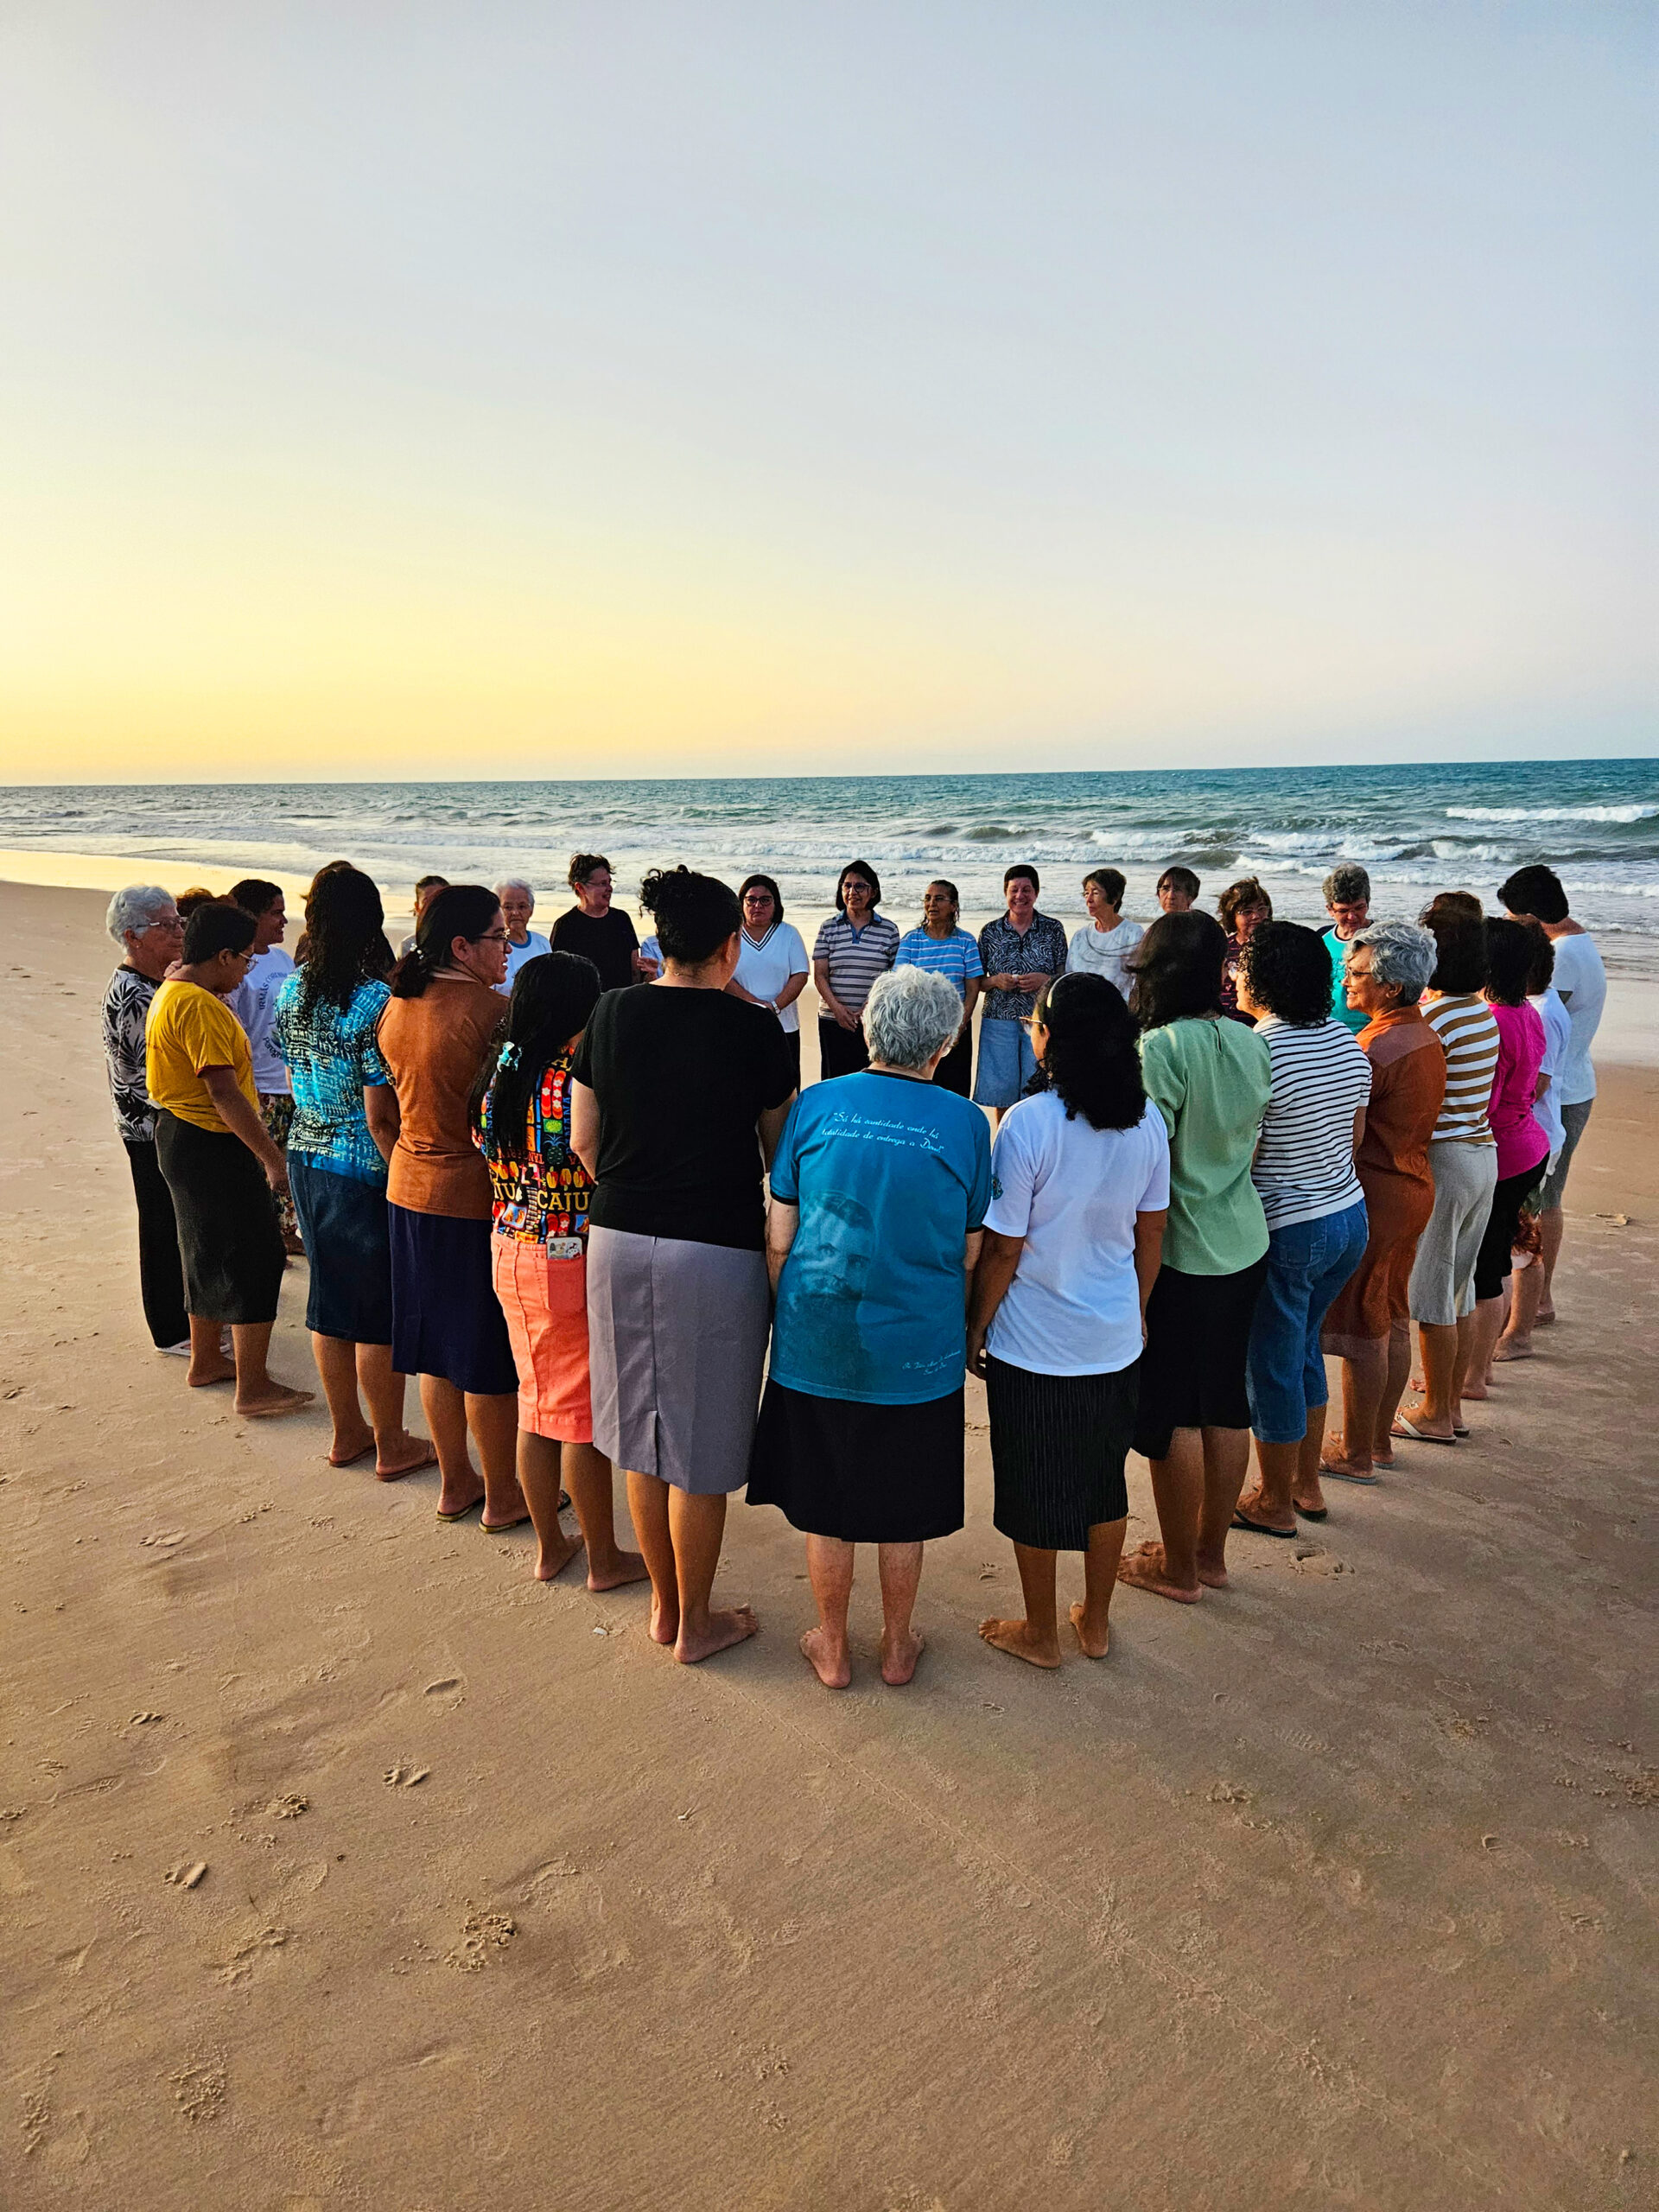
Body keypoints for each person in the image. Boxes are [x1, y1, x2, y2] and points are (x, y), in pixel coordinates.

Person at [571, 867, 796, 1664]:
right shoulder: (755, 1030)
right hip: (715, 1247)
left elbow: (584, 1139)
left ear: (660, 942)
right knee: (699, 1448)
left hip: (618, 1237)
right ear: (731, 946)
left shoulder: (610, 1011)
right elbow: (780, 1158)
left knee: (641, 1432)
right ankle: (694, 1622)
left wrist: (638, 1192)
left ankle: (667, 1609)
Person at [750, 967, 991, 1688]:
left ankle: (831, 1644)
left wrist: (786, 1318)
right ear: (944, 1046)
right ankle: (895, 1646)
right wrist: (963, 1326)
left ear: (870, 1031)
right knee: (903, 1503)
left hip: (817, 1336)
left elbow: (780, 1238)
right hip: (918, 1344)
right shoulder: (966, 1122)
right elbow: (971, 1250)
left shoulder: (816, 1104)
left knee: (828, 1503)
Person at [969, 974, 1168, 1665]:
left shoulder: (1029, 1123)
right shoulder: (1147, 1120)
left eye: (1035, 1024)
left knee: (1033, 1488)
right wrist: (1137, 1311)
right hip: (1111, 1337)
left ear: (1049, 1037)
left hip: (1034, 1341)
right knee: (1103, 1483)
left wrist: (977, 1323)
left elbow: (1004, 1248)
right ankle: (1096, 1621)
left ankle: (1040, 1631)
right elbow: (1152, 1233)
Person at [474, 951, 647, 1593]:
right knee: (579, 1419)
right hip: (565, 1256)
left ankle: (551, 1545)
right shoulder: (572, 1080)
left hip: (509, 1245)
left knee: (536, 1404)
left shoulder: (501, 1074)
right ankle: (603, 1558)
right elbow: (602, 1154)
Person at [1116, 912, 1272, 1604]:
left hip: (1180, 1251)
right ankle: (1209, 1554)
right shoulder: (1250, 1040)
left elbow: (1145, 1162)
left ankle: (1179, 1568)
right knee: (1226, 1401)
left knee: (1173, 1413)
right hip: (1244, 1239)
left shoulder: (1159, 1048)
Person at [274, 867, 432, 1479]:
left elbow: (291, 1071)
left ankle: (348, 1433)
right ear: (371, 924)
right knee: (375, 1315)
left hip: (305, 1152)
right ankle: (391, 1443)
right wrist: (405, 1179)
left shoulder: (292, 989)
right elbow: (379, 1114)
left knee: (329, 1302)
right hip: (362, 1166)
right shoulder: (373, 1001)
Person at [377, 886, 526, 1529]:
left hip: (409, 1185)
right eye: (499, 937)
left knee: (435, 1350)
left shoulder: (397, 1005)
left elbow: (387, 1107)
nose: (508, 947)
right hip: (469, 1194)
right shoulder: (491, 1012)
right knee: (485, 1355)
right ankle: (502, 1494)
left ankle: (456, 1481)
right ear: (462, 946)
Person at [1227, 925, 1372, 1536]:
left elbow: (1247, 1153)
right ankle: (1305, 1485)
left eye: (1242, 967)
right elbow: (1354, 1137)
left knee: (1272, 1367)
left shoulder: (1261, 1048)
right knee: (1304, 1349)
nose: (1234, 975)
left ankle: (1275, 1501)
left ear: (1262, 980)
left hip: (1290, 1226)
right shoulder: (1345, 1039)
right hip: (1347, 1216)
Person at [145, 900, 313, 1417]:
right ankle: (254, 1386)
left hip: (179, 1135)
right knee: (255, 1256)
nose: (245, 971)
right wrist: (272, 1158)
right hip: (210, 1140)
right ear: (222, 956)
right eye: (243, 959)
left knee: (204, 1248)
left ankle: (206, 1361)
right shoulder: (199, 1005)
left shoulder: (172, 990)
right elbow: (223, 1092)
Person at [1317, 922, 1445, 1482]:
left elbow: (1346, 1132)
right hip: (1412, 1184)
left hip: (1379, 1191)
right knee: (1391, 1316)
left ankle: (1358, 1451)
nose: (1345, 980)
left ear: (1391, 986)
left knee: (1365, 1326)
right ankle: (1377, 1441)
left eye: (1356, 972)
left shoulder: (1374, 1048)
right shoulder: (1424, 1034)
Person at [1394, 912, 1497, 1445]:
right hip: (1481, 1153)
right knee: (1460, 1288)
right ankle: (1449, 1404)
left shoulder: (1435, 1017)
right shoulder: (1480, 1011)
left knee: (1434, 1291)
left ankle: (1435, 1411)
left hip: (1446, 1158)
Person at [1497, 864, 1605, 1325]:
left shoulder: (1557, 956)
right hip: (1574, 1083)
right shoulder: (1578, 941)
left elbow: (1537, 1027)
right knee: (1547, 1199)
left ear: (1532, 918)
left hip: (1560, 1093)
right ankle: (1537, 1300)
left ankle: (1536, 1303)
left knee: (1542, 1203)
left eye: (1513, 918)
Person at [1462, 918, 1550, 1396]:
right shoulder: (1526, 1010)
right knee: (1494, 1262)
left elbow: (1486, 1102)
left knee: (1484, 1270)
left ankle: (1474, 1377)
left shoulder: (1493, 1019)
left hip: (1505, 1153)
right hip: (1528, 1144)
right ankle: (1479, 1370)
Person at [102, 886, 189, 1354]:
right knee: (161, 1226)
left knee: (175, 1223)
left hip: (162, 1124)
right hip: (148, 1128)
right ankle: (171, 1330)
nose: (178, 932)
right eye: (166, 925)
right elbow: (150, 1072)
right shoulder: (134, 992)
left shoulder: (157, 982)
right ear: (133, 936)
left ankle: (186, 1321)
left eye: (179, 922)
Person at [1497, 925, 1572, 1360]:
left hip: (1532, 1137)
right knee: (1520, 1239)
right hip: (1535, 1135)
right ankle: (1513, 1324)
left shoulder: (1540, 1012)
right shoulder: (1540, 1006)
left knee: (1523, 1243)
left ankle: (1519, 1333)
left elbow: (1538, 1083)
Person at [227, 878, 301, 1251]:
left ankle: (286, 1235)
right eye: (276, 913)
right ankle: (261, 1240)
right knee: (261, 1165)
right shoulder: (238, 964)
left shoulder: (283, 960)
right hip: (258, 1084)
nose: (284, 920)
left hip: (290, 1080)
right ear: (252, 916)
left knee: (289, 1163)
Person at [974, 865, 1069, 1117]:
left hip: (1039, 1021)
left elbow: (1065, 979)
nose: (1020, 896)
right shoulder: (990, 931)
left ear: (1036, 893)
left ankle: (1035, 1139)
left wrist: (1045, 980)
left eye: (1026, 890)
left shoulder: (1053, 929)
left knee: (1038, 1090)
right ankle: (1005, 1136)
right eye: (1014, 890)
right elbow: (977, 982)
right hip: (998, 1018)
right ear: (1005, 893)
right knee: (1001, 1092)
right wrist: (996, 981)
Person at [893, 879, 983, 1096]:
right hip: (919, 1029)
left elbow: (973, 989)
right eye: (928, 898)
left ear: (953, 906)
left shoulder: (966, 941)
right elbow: (900, 983)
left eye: (939, 899)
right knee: (919, 1092)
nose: (931, 904)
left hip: (956, 1028)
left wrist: (959, 1027)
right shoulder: (911, 940)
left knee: (955, 1091)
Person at [811, 860, 901, 1079]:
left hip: (873, 1020)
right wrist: (838, 1009)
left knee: (870, 1080)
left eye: (860, 886)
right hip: (832, 1018)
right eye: (847, 886)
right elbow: (820, 975)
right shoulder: (828, 927)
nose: (853, 892)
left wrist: (867, 1008)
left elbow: (892, 977)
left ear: (874, 892)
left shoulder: (889, 930)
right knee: (835, 1081)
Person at [726, 874, 810, 1092]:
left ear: (776, 904)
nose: (758, 906)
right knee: (743, 1089)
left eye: (765, 900)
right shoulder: (731, 936)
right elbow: (723, 977)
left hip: (784, 1026)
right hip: (739, 1025)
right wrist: (756, 1006)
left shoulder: (788, 933)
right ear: (741, 903)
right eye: (751, 900)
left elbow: (800, 975)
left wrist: (773, 1007)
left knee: (785, 1090)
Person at [550, 855, 649, 989]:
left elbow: (635, 970)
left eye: (610, 882)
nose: (609, 888)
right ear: (580, 888)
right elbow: (556, 974)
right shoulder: (566, 925)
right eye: (602, 884)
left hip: (620, 999)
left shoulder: (622, 919)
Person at [1067, 868, 1145, 1001]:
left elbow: (1138, 981)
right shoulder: (1080, 936)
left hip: (1118, 1009)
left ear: (1114, 898)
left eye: (1095, 893)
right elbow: (1070, 976)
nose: (1089, 899)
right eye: (1086, 893)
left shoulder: (1132, 934)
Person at [1321, 864, 1372, 1034]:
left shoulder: (1382, 939)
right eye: (1343, 911)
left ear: (1368, 902)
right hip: (1326, 1031)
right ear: (1330, 909)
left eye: (1359, 908)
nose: (1352, 917)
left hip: (1368, 1032)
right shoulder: (1321, 939)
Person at [1217, 877, 1273, 1021]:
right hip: (1227, 1024)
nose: (1256, 916)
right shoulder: (1222, 948)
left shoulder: (1278, 946)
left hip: (1266, 1024)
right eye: (1247, 911)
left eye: (1262, 909)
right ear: (1232, 917)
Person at [495, 878, 550, 989]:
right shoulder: (492, 948)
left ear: (531, 910)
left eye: (522, 906)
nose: (515, 913)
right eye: (508, 907)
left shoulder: (542, 943)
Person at [398, 874, 448, 957]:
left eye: (440, 900)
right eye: (427, 901)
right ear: (417, 907)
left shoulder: (463, 944)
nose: (434, 906)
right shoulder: (408, 946)